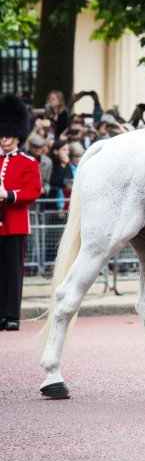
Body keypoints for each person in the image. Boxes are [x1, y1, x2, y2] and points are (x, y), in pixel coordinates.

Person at [0, 94, 42, 330]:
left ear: (17, 136)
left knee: (13, 271)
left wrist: (8, 195)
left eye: (7, 135)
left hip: (15, 223)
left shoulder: (28, 163)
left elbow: (32, 191)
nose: (3, 139)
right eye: (1, 135)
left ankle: (12, 315)